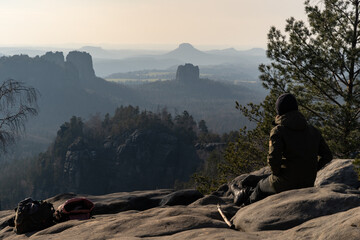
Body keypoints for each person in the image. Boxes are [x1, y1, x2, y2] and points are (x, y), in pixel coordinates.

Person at [234, 93, 333, 205]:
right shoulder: (313, 130)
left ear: (279, 111)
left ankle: (244, 203)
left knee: (260, 187)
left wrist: (278, 173)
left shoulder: (279, 131)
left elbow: (273, 160)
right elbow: (327, 156)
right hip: (307, 182)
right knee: (264, 181)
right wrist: (313, 169)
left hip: (285, 183)